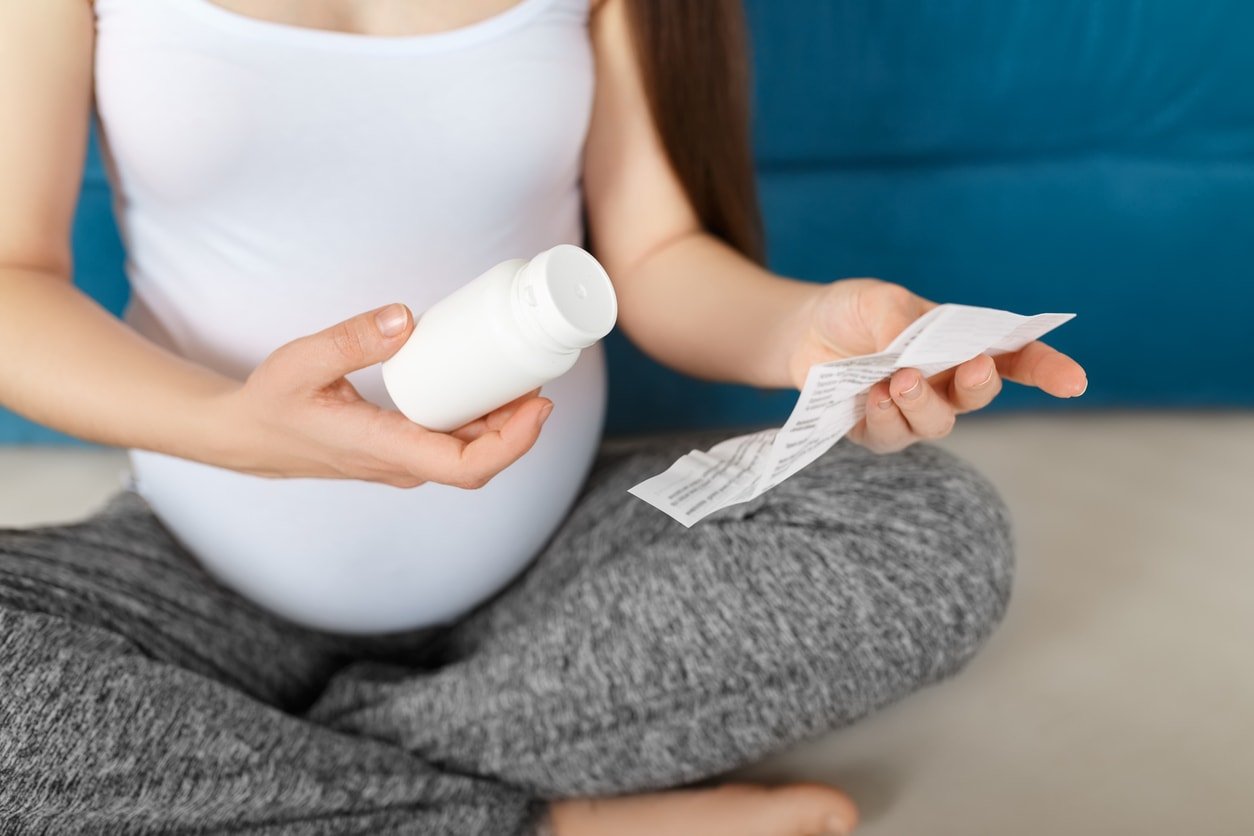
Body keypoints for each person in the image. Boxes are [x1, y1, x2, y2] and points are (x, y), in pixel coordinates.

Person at [0, 0, 1087, 833]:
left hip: (549, 567)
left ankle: (263, 778)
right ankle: (548, 820)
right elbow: (12, 275)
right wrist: (236, 427)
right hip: (201, 563)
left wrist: (806, 329)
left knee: (933, 535)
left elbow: (655, 255)